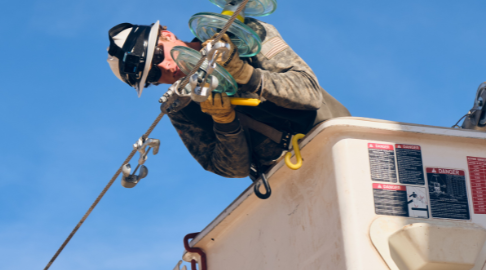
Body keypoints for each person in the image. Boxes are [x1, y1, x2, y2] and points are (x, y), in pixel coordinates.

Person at [107, 18, 348, 181]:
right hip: (285, 176)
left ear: (167, 35)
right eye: (154, 74)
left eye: (158, 54)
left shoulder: (242, 37)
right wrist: (225, 122)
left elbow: (308, 93)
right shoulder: (181, 108)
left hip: (338, 144)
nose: (166, 67)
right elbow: (230, 169)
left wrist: (246, 73)